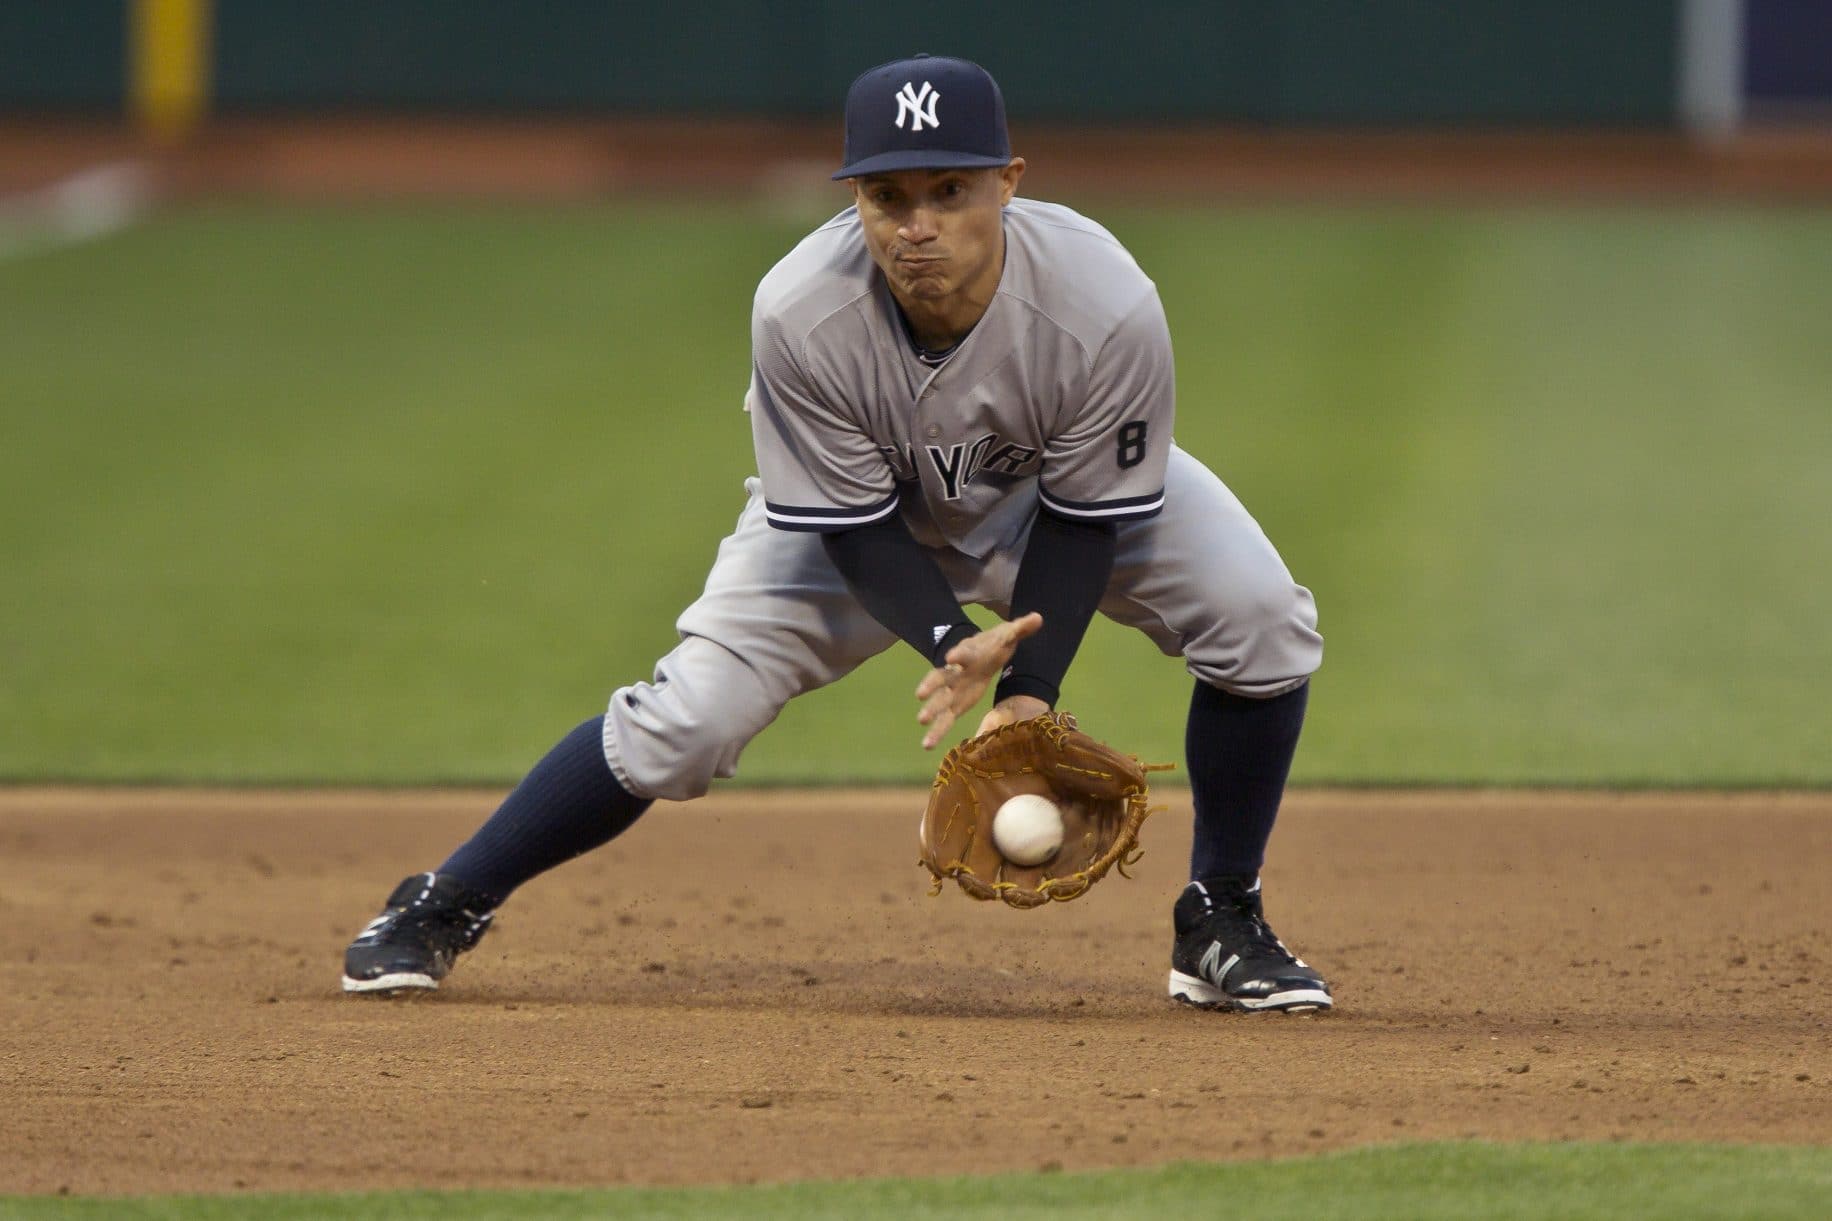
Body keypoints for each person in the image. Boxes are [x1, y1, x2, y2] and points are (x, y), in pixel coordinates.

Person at [342, 54, 1331, 1014]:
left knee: (1261, 621)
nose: (916, 226)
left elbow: (1084, 518)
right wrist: (949, 642)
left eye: (949, 191)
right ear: (852, 199)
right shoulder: (800, 309)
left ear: (1008, 183)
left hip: (1048, 500)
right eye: (887, 198)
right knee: (683, 727)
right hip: (863, 523)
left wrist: (1027, 697)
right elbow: (853, 528)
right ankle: (442, 902)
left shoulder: (1102, 300)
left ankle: (1219, 920)